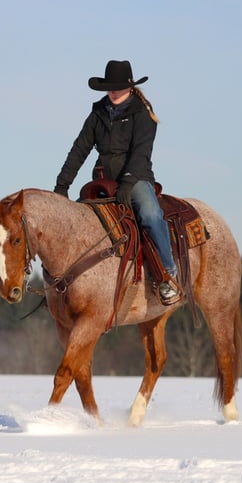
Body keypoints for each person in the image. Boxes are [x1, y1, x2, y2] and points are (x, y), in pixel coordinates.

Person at [54, 60, 181, 305]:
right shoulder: (98, 113)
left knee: (151, 214)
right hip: (103, 180)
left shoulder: (142, 113)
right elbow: (79, 149)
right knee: (77, 220)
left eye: (118, 87)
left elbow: (141, 153)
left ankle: (168, 274)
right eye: (110, 87)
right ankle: (74, 284)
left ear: (130, 88)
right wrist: (62, 185)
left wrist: (128, 183)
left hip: (136, 177)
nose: (113, 92)